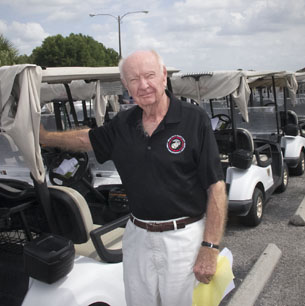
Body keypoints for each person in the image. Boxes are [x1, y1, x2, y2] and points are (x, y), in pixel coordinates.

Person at [39, 49, 227, 306]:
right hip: (137, 236)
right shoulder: (123, 122)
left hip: (184, 239)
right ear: (126, 86)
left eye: (149, 75)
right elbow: (86, 139)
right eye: (134, 79)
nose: (143, 85)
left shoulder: (194, 119)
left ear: (163, 76)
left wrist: (210, 246)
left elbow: (215, 185)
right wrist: (44, 137)